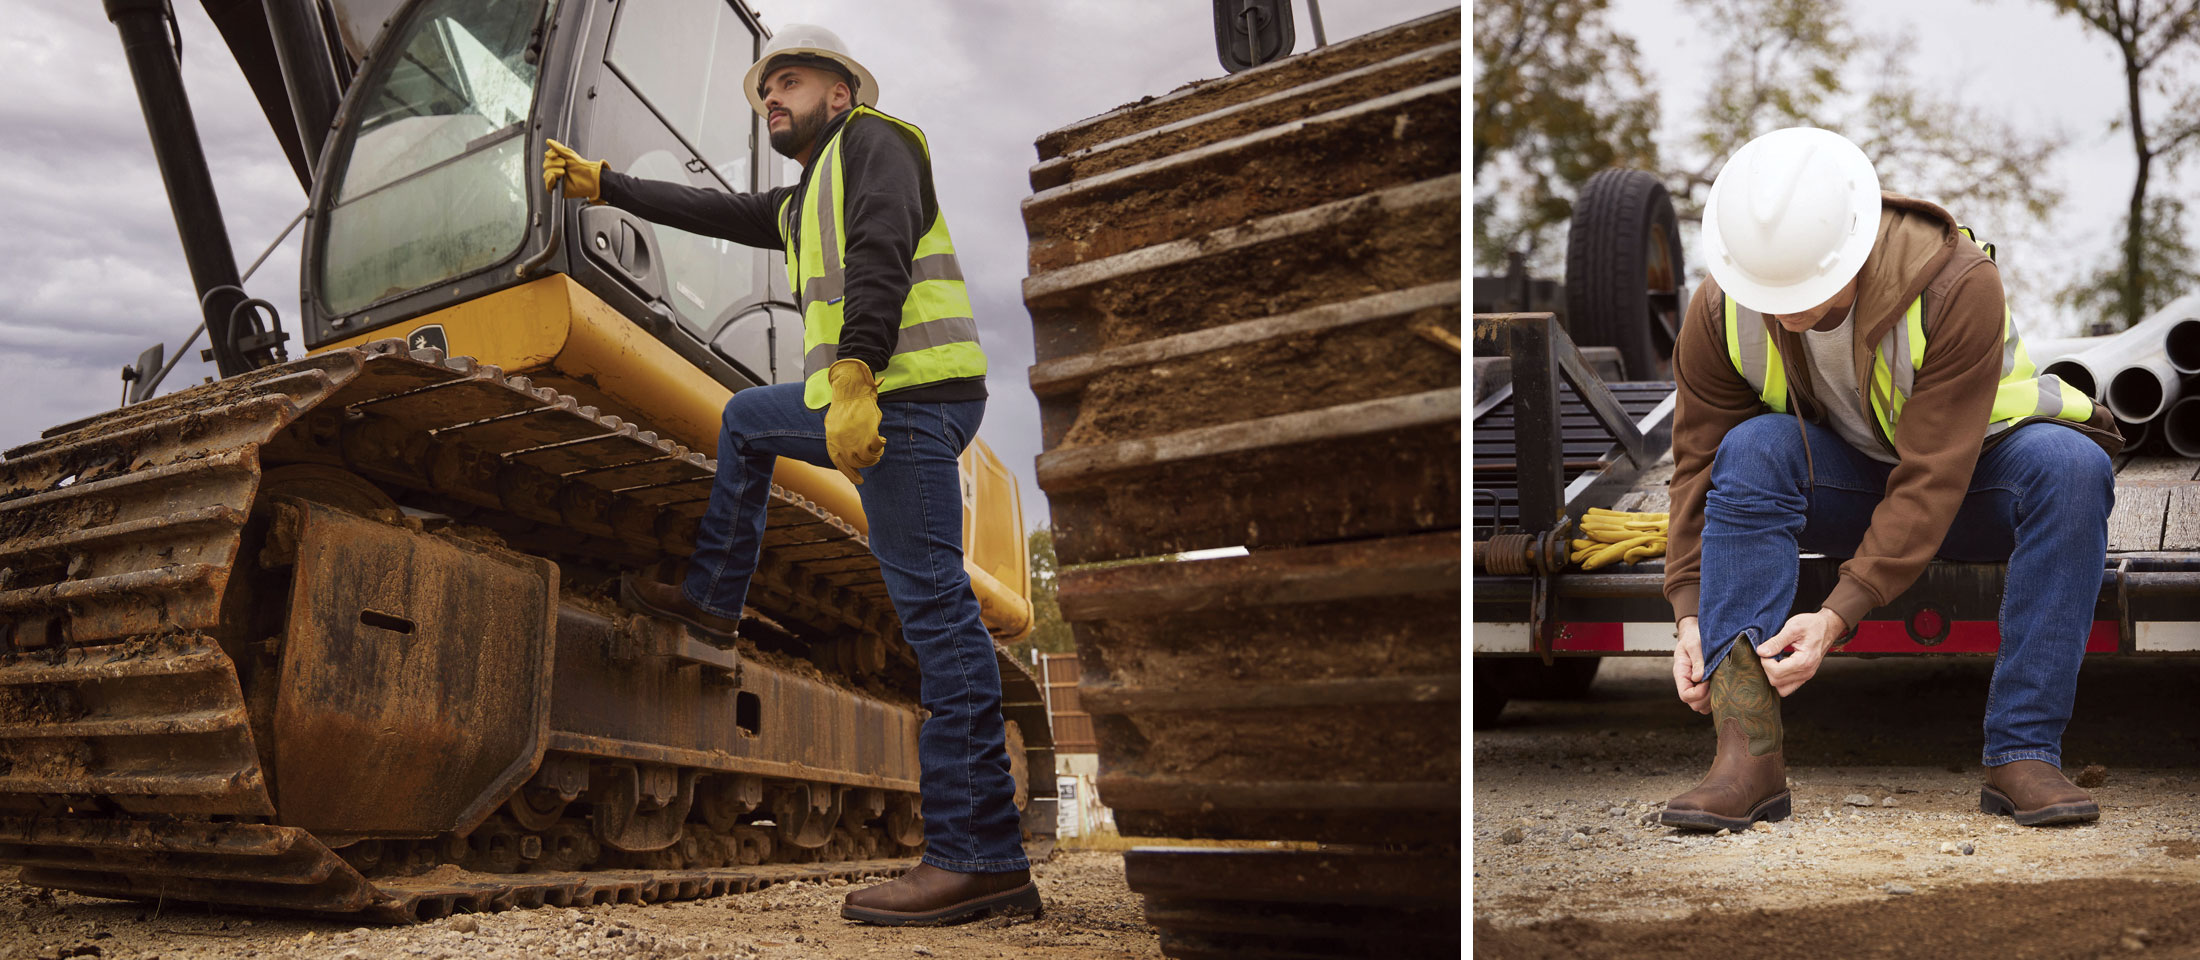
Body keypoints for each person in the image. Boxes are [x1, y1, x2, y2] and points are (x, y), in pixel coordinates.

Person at [540, 25, 1039, 924]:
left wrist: (855, 373)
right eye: (765, 89)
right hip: (876, 393)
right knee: (746, 420)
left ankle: (980, 857)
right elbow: (719, 212)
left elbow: (884, 248)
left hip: (906, 400)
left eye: (790, 81)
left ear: (840, 92)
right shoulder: (807, 195)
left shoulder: (877, 144)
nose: (771, 96)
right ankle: (714, 603)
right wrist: (606, 183)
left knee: (936, 619)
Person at [1657, 127, 2123, 832]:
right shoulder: (1722, 308)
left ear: (1855, 246)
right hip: (1852, 481)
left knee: (2073, 469)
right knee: (1750, 448)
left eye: (1804, 290)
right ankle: (1745, 757)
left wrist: (1838, 615)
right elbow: (1696, 461)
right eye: (1768, 293)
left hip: (1975, 477)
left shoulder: (1957, 283)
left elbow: (1934, 474)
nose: (1784, 313)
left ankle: (2023, 752)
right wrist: (1689, 613)